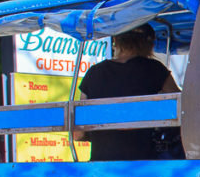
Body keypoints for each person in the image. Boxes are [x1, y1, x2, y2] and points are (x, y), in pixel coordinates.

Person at [76, 24, 179, 161]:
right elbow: (182, 108)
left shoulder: (94, 73)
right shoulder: (155, 69)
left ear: (116, 42)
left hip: (101, 161)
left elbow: (78, 133)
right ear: (149, 45)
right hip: (145, 162)